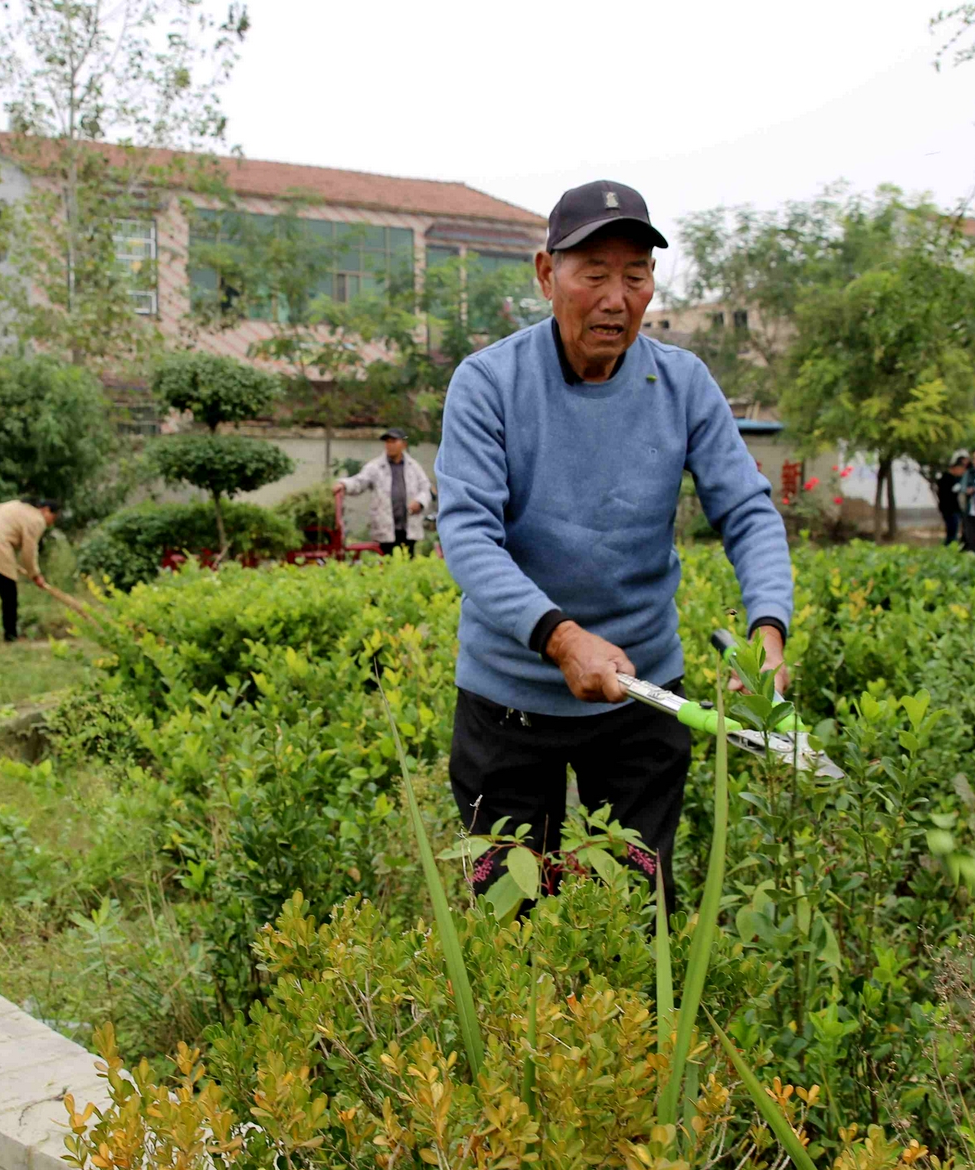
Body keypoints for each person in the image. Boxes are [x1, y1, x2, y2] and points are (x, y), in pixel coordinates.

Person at [435, 179, 793, 906]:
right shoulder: (489, 383)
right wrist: (562, 639)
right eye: (593, 273)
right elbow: (468, 535)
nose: (615, 297)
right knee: (509, 917)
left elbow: (749, 514)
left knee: (636, 916)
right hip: (510, 702)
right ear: (546, 274)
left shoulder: (684, 383)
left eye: (635, 275)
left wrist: (768, 635)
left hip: (642, 697)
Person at [0, 498, 58, 641]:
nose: (52, 522)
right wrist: (35, 574)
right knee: (9, 595)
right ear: (45, 510)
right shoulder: (37, 520)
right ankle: (10, 635)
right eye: (53, 517)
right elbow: (29, 550)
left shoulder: (14, 504)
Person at [335, 428, 432, 556]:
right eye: (387, 442)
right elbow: (359, 482)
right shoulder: (375, 466)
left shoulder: (414, 467)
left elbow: (426, 488)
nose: (389, 445)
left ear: (403, 444)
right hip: (385, 527)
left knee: (408, 561)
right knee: (385, 562)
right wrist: (344, 484)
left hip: (408, 525)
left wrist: (419, 502)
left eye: (393, 441)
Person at [935, 454, 966, 546]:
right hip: (949, 509)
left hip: (955, 508)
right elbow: (945, 495)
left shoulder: (958, 479)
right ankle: (950, 545)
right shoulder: (946, 478)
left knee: (955, 529)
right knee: (952, 529)